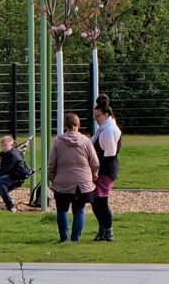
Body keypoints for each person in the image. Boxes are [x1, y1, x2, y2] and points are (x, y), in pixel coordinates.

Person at [49, 113, 100, 243]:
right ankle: (75, 239)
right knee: (79, 210)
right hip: (82, 183)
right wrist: (93, 176)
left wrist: (52, 177)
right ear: (78, 124)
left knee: (62, 210)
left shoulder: (58, 141)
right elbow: (94, 162)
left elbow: (52, 163)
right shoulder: (86, 141)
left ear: (65, 125)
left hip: (62, 182)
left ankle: (63, 238)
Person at [90, 94, 121, 242]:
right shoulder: (104, 128)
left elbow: (109, 154)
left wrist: (96, 171)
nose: (96, 119)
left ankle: (108, 231)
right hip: (102, 169)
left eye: (98, 116)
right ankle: (103, 229)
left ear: (106, 115)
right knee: (96, 201)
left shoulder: (109, 131)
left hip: (105, 170)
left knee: (101, 201)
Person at [0, 134, 29, 211]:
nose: (3, 147)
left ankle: (10, 205)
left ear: (11, 144)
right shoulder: (7, 153)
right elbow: (2, 166)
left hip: (16, 176)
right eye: (2, 146)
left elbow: (5, 169)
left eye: (5, 145)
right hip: (10, 174)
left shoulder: (12, 154)